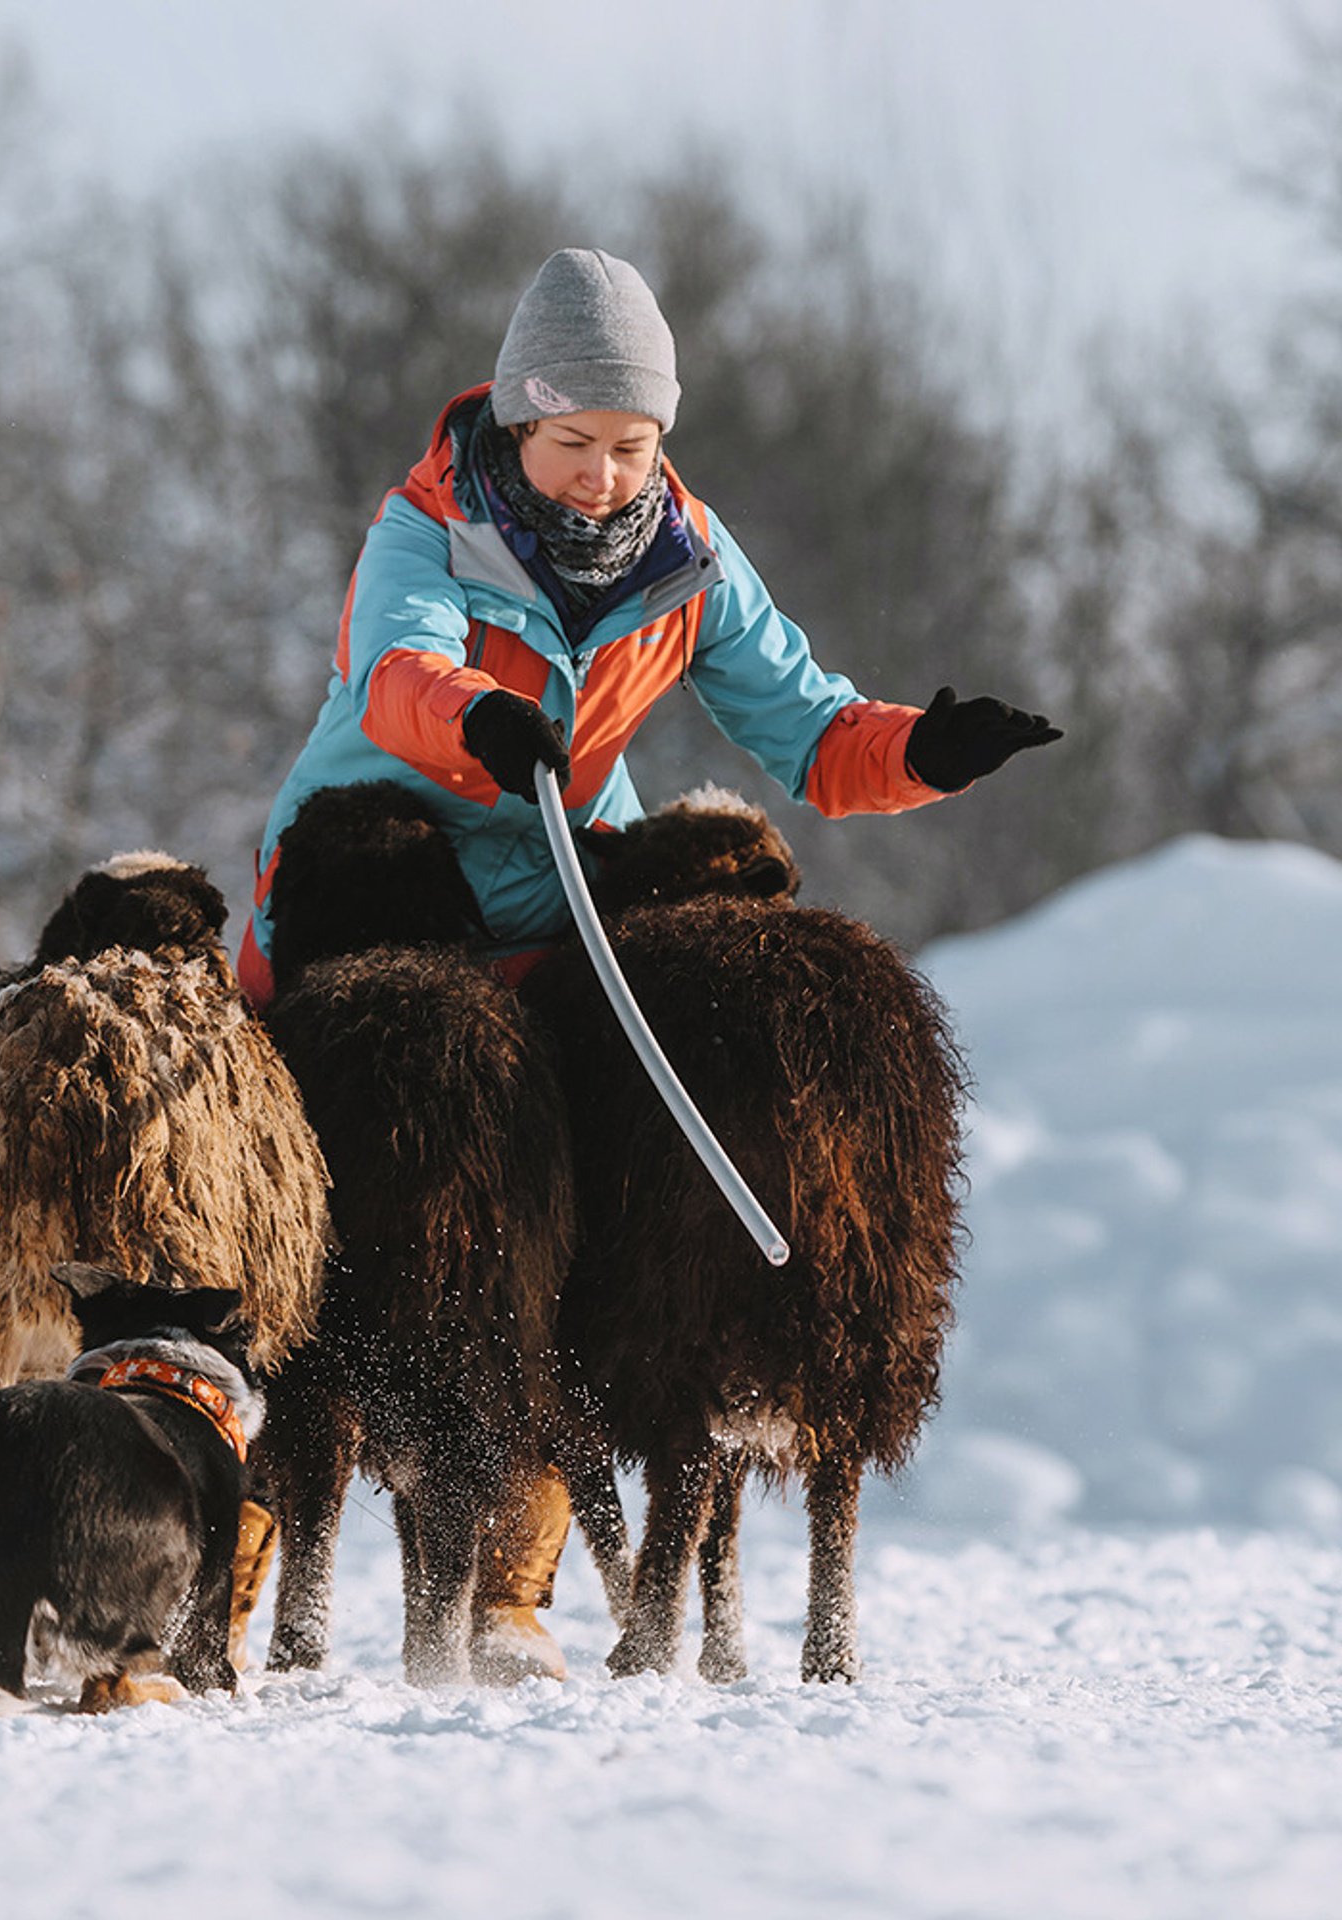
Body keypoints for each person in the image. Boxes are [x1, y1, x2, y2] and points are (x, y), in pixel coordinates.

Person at [235, 247, 1061, 1680]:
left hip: (558, 895)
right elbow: (401, 669)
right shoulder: (425, 526)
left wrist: (925, 751)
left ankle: (507, 1592)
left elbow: (805, 727)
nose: (607, 477)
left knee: (565, 1239)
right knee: (297, 1235)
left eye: (633, 446)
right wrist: (484, 723)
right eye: (576, 446)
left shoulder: (686, 553)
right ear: (515, 420)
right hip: (377, 877)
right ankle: (226, 1576)